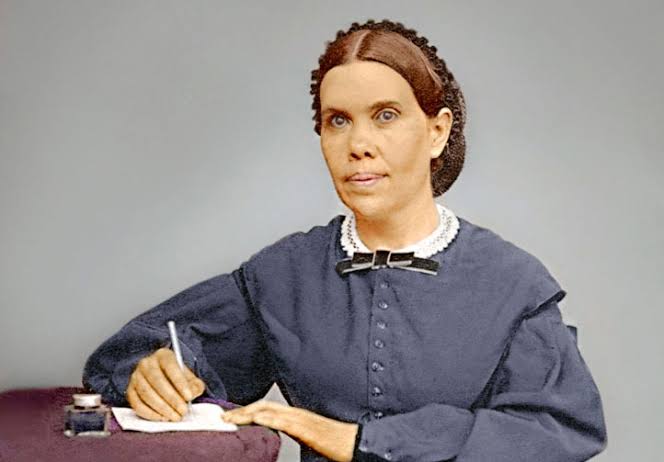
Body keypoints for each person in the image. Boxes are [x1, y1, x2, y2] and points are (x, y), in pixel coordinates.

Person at [82, 19, 608, 462]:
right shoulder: (284, 274)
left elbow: (557, 431)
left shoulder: (512, 282)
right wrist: (155, 373)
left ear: (437, 132)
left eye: (385, 116)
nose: (358, 144)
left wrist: (358, 440)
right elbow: (151, 348)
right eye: (338, 121)